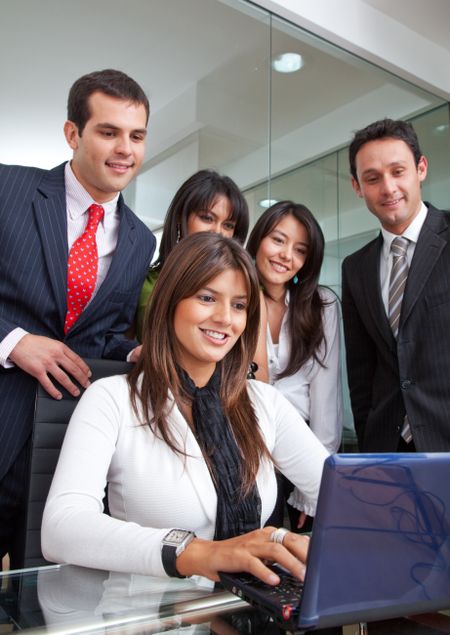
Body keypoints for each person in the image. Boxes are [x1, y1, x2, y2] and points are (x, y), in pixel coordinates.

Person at [42, 233, 328, 586]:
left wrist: (283, 539)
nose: (225, 318)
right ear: (171, 302)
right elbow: (61, 527)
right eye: (207, 298)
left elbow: (340, 493)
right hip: (153, 615)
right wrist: (198, 553)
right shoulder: (112, 399)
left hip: (252, 610)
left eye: (239, 305)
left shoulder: (263, 402)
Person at [0, 69, 156, 568]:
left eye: (136, 136)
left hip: (59, 452)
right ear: (73, 133)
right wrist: (13, 340)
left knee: (40, 605)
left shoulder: (139, 238)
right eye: (108, 132)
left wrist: (132, 353)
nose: (124, 149)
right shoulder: (7, 187)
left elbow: (103, 336)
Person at [342, 117, 450, 452]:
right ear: (357, 187)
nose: (388, 188)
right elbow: (362, 373)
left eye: (398, 171)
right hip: (389, 450)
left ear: (421, 168)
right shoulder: (355, 268)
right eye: (372, 178)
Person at [247, 201, 342, 531]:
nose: (286, 255)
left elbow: (326, 399)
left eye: (300, 250)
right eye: (278, 240)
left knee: (307, 559)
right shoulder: (234, 298)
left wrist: (314, 489)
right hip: (247, 444)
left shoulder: (322, 306)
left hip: (301, 446)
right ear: (258, 239)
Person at [136, 169, 249, 341]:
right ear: (181, 219)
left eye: (228, 225)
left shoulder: (243, 287)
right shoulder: (144, 283)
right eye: (207, 218)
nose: (217, 232)